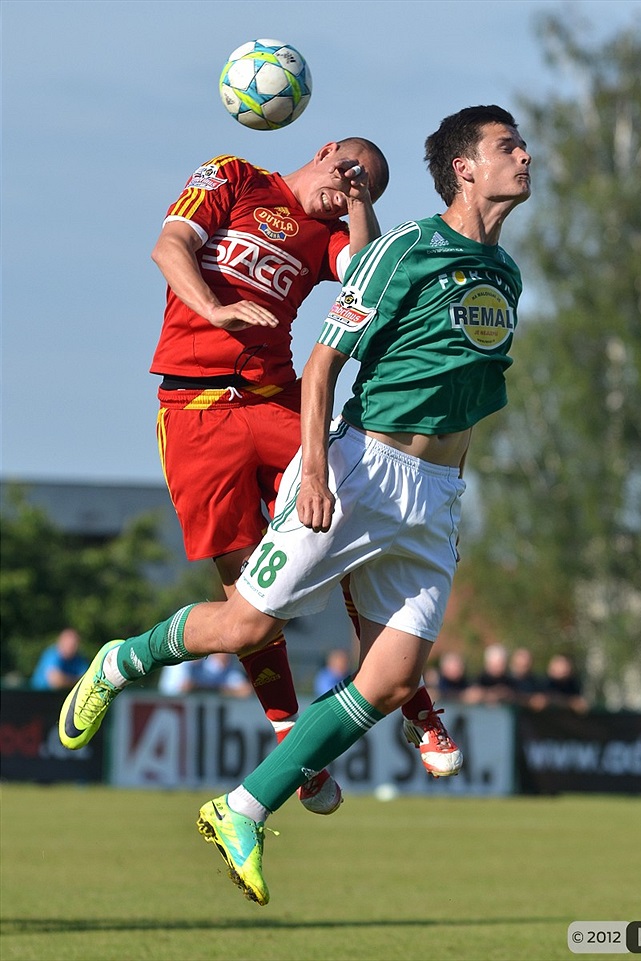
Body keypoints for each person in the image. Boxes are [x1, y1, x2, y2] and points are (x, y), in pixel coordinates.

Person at [59, 104, 531, 905]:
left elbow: (460, 384)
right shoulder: (367, 234)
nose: (526, 156)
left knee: (384, 679)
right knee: (247, 619)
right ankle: (121, 659)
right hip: (331, 456)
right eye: (508, 146)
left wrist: (447, 488)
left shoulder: (503, 273)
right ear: (465, 167)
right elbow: (317, 354)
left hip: (433, 495)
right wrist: (315, 472)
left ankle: (242, 807)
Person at [148, 137, 460, 808]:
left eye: (369, 185)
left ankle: (417, 706)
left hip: (273, 402)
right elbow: (169, 245)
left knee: (352, 517)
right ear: (324, 149)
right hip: (195, 407)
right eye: (350, 171)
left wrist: (356, 210)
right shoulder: (234, 176)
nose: (353, 185)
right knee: (248, 602)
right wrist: (216, 308)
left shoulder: (327, 234)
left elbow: (366, 275)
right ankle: (293, 741)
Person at [159, 653, 253, 697]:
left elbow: (246, 690)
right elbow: (186, 687)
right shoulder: (180, 661)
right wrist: (220, 690)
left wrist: (213, 689)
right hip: (170, 709)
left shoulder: (214, 664)